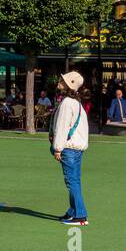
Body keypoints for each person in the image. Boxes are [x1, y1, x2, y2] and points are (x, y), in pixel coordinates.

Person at [49, 71, 89, 226]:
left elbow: (62, 127)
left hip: (69, 148)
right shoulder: (76, 103)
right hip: (77, 147)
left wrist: (58, 148)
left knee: (71, 181)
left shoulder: (66, 103)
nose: (60, 80)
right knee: (75, 181)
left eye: (63, 80)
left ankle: (80, 214)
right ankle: (73, 212)